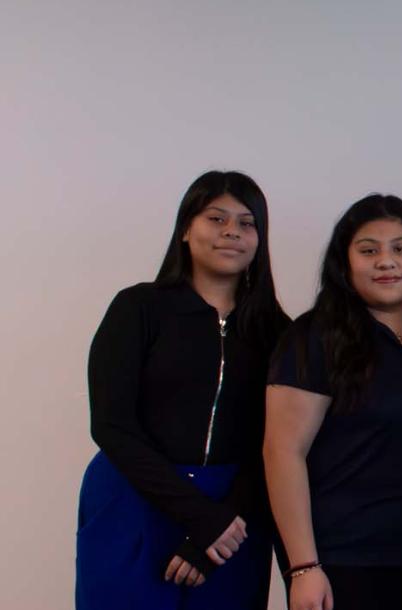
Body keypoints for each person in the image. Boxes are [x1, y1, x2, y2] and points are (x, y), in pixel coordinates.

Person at [77, 170, 289, 610]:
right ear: (186, 230)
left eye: (247, 223)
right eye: (216, 218)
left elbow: (274, 443)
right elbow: (112, 425)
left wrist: (218, 524)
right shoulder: (138, 308)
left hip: (235, 512)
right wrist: (199, 516)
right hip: (133, 495)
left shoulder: (279, 333)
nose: (232, 231)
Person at [264, 194, 402, 610]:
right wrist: (303, 567)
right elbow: (283, 452)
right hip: (344, 561)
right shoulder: (315, 337)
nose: (386, 262)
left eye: (401, 249)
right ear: (345, 263)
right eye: (369, 250)